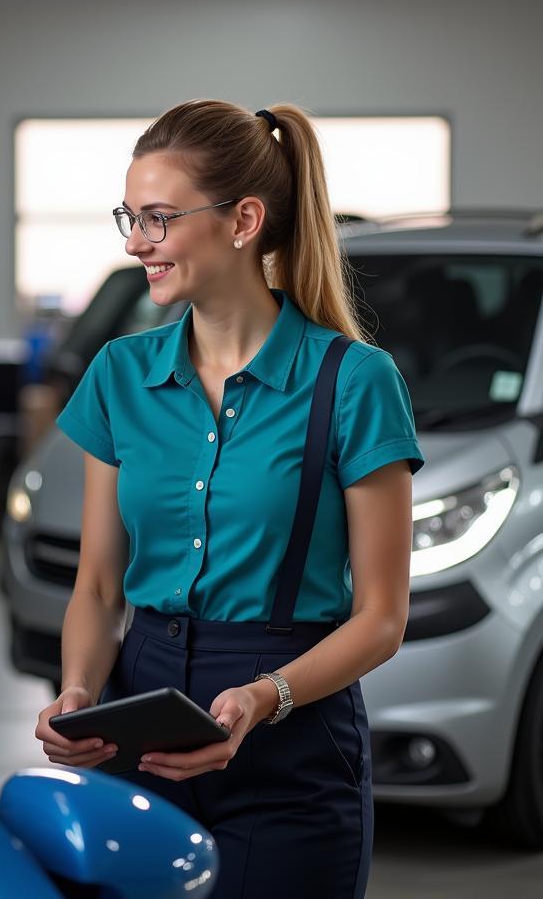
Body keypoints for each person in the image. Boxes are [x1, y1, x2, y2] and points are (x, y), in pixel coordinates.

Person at [34, 100, 422, 898]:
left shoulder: (353, 382)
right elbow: (101, 587)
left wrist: (261, 697)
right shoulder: (118, 373)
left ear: (244, 220)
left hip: (291, 738)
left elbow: (382, 617)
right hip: (138, 719)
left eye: (158, 218)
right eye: (128, 217)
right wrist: (78, 691)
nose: (136, 242)